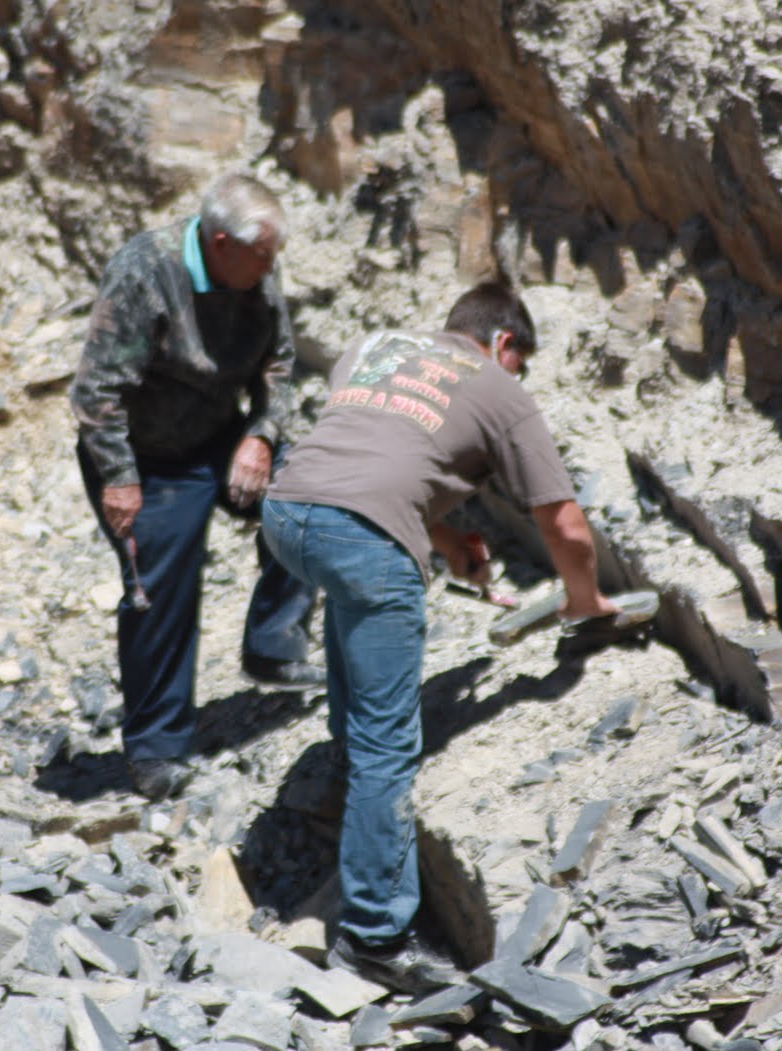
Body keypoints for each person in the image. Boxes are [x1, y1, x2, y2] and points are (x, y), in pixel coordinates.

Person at [261, 280, 616, 994]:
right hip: (362, 538)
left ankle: (344, 777)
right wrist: (586, 600)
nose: (517, 376)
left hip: (288, 514)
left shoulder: (376, 346)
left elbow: (373, 454)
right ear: (503, 342)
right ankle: (374, 939)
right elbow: (565, 525)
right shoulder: (499, 389)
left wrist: (445, 539)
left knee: (351, 602)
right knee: (388, 745)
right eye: (519, 362)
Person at [70, 173, 320, 801]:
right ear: (218, 243)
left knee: (308, 492)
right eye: (260, 254)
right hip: (143, 454)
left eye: (273, 254)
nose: (271, 267)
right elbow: (96, 392)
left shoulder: (254, 272)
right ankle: (156, 750)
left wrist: (261, 434)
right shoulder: (145, 271)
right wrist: (119, 479)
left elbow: (279, 363)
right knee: (160, 584)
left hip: (217, 434)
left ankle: (274, 642)